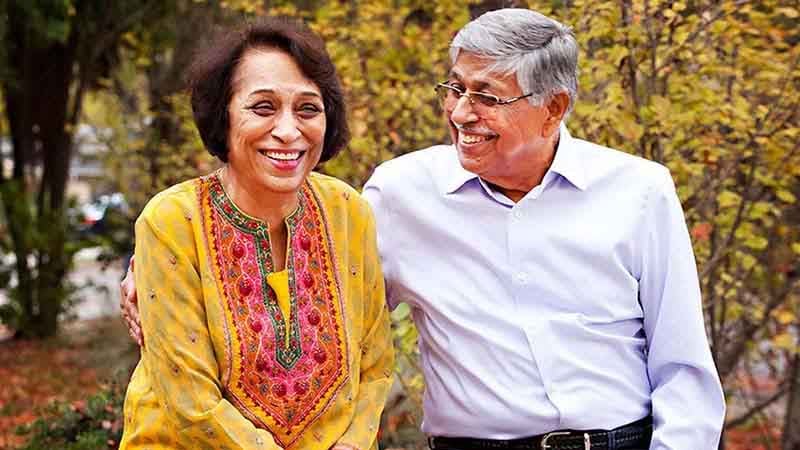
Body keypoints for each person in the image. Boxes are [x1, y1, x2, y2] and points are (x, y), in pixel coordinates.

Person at [123, 8, 725, 450]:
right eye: (456, 89)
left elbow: (684, 369)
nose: (462, 112)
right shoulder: (399, 193)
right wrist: (148, 273)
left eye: (487, 97)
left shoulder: (640, 191)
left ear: (555, 108)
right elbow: (290, 264)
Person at [118, 17, 394, 450]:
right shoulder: (172, 221)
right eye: (263, 107)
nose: (288, 131)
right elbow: (193, 405)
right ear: (222, 114)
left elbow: (375, 363)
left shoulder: (348, 212)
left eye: (307, 109)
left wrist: (355, 442)